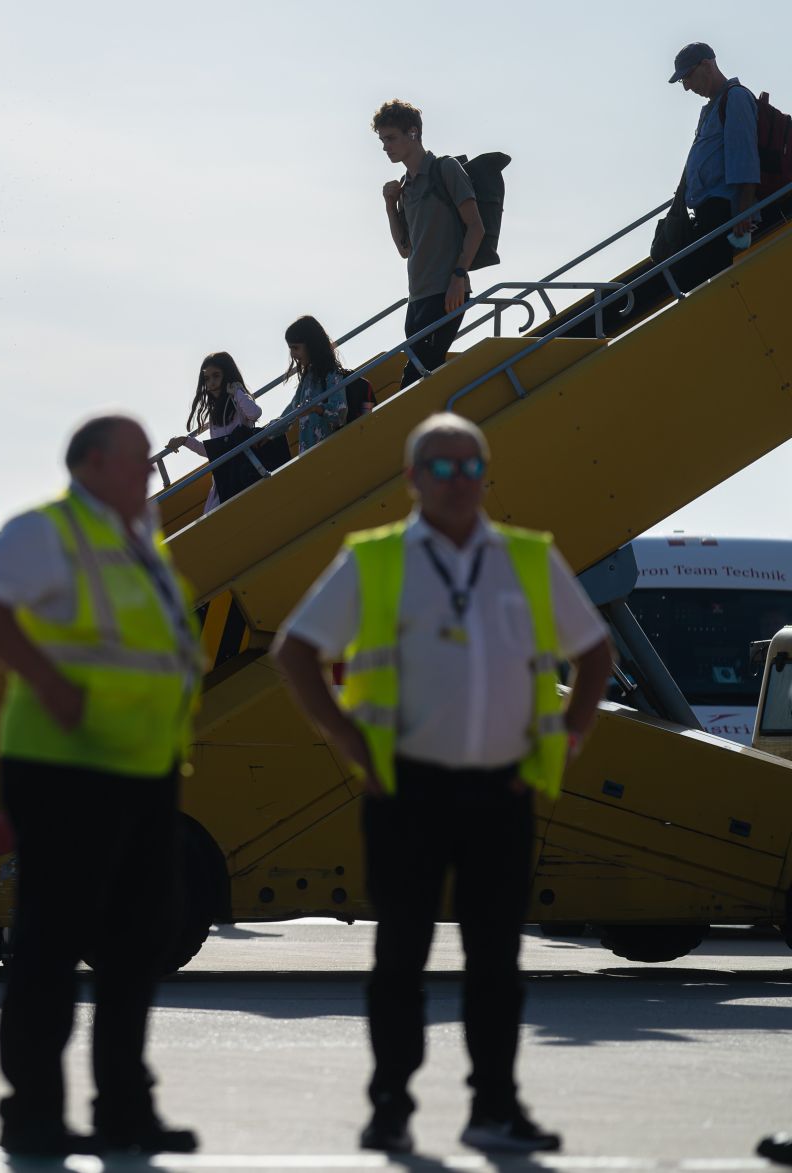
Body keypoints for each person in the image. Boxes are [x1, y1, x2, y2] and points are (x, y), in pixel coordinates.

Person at [272, 413, 613, 1155]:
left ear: (486, 478)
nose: (458, 482)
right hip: (407, 790)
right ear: (413, 479)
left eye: (470, 468)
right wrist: (345, 736)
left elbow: (594, 652)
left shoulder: (527, 558)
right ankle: (390, 1104)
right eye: (442, 468)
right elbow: (295, 650)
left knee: (498, 960)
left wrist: (569, 737)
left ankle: (496, 1104)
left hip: (503, 791)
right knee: (400, 957)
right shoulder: (374, 560)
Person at [0, 415, 203, 1159]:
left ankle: (124, 1107)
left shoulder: (138, 543)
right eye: (138, 459)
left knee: (136, 944)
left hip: (144, 766)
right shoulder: (51, 530)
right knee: (51, 942)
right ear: (92, 464)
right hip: (63, 765)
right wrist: (50, 681)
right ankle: (32, 1112)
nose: (149, 471)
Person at [375, 100, 486, 387]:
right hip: (418, 296)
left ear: (412, 133)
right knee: (420, 374)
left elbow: (476, 227)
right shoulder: (405, 185)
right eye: (382, 140)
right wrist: (390, 205)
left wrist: (459, 278)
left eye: (391, 138)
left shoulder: (445, 168)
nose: (386, 146)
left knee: (415, 377)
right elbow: (405, 249)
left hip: (447, 291)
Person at [669, 43, 763, 288]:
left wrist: (743, 215)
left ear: (707, 65)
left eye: (688, 76)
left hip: (723, 214)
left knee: (701, 282)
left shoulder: (736, 97)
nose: (687, 86)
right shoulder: (712, 108)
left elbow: (744, 158)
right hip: (707, 214)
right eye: (683, 81)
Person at [168, 351, 262, 510]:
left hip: (246, 472)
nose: (211, 383)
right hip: (223, 479)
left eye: (216, 376)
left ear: (227, 375)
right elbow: (214, 451)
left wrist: (238, 392)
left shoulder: (238, 401)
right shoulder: (214, 415)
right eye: (207, 379)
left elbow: (255, 413)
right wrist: (185, 440)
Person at [281, 316, 349, 453]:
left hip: (329, 453)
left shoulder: (331, 374)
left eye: (296, 348)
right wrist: (268, 433)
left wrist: (316, 408)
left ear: (311, 345)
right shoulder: (307, 378)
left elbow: (340, 413)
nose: (293, 354)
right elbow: (290, 412)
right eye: (290, 349)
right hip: (309, 454)